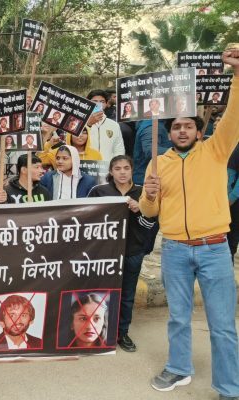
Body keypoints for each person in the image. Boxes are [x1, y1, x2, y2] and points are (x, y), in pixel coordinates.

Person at [141, 49, 239, 397]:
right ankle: (179, 368)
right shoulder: (158, 163)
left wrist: (238, 75)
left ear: (200, 131)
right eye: (176, 126)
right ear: (169, 133)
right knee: (178, 318)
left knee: (223, 326)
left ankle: (229, 388)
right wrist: (149, 194)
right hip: (174, 251)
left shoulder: (216, 151)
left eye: (188, 126)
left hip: (214, 249)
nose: (182, 130)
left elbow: (233, 116)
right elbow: (149, 213)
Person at [89, 155, 155, 352]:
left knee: (127, 295)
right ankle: (99, 331)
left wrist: (139, 209)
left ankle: (122, 332)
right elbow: (88, 221)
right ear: (111, 171)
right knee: (101, 293)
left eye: (126, 167)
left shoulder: (143, 193)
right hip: (104, 254)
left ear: (132, 169)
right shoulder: (99, 191)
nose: (122, 172)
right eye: (117, 168)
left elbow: (151, 224)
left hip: (132, 252)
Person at [86, 90, 126, 162]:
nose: (98, 104)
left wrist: (115, 166)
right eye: (94, 101)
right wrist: (88, 124)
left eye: (102, 102)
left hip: (107, 169)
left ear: (107, 104)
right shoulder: (79, 122)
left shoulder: (114, 125)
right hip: (85, 167)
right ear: (88, 102)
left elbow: (119, 149)